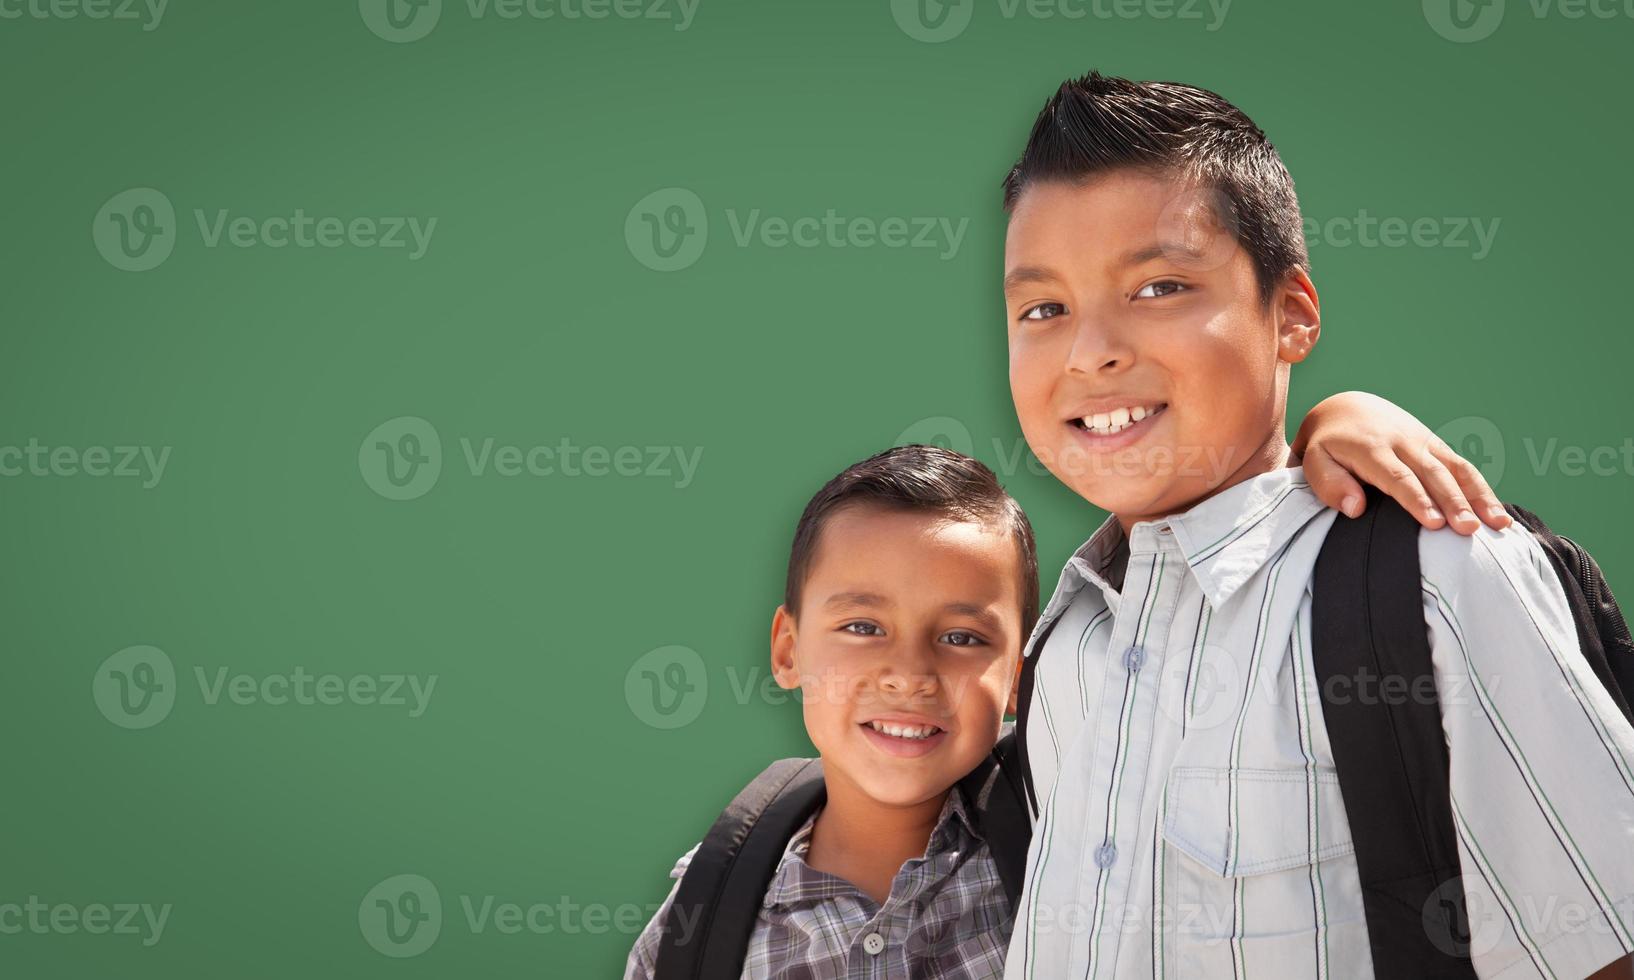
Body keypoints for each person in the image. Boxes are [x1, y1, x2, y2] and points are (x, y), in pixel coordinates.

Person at [1000, 70, 1634, 979]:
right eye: (1042, 308)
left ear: (1291, 313)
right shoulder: (1065, 650)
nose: (1091, 348)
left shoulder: (1436, 576)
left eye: (1160, 287)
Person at [623, 390, 1512, 978]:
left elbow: (1192, 539)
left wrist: (1333, 420)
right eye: (861, 627)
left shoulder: (1071, 839)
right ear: (786, 648)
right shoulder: (715, 897)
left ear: (1021, 675)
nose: (909, 672)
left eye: (964, 636)